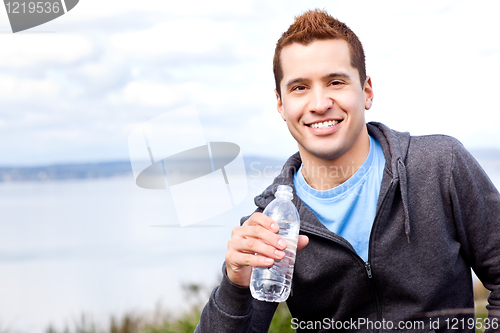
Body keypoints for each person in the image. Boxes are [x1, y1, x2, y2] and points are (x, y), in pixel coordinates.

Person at [195, 9, 500, 333]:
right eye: (299, 87)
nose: (319, 102)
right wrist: (235, 282)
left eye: (335, 82)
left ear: (366, 90)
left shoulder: (440, 165)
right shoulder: (271, 223)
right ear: (281, 104)